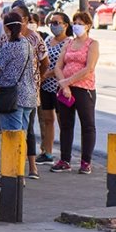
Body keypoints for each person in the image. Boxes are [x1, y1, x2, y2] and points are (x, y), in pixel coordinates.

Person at [0, 10, 39, 178]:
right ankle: (19, 171)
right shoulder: (26, 44)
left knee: (11, 137)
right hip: (28, 95)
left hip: (12, 97)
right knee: (21, 136)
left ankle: (12, 175)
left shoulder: (10, 47)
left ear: (6, 28)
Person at [53, 11, 100, 174]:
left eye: (80, 23)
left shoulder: (92, 44)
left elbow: (89, 68)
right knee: (65, 125)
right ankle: (65, 159)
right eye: (75, 22)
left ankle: (86, 161)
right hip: (66, 90)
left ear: (88, 26)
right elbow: (58, 66)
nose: (77, 26)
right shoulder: (68, 43)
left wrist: (68, 81)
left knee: (87, 125)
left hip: (84, 89)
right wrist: (64, 85)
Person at [36, 11, 72, 166]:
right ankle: (48, 152)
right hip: (45, 86)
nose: (53, 26)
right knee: (47, 119)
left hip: (59, 85)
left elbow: (62, 65)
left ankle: (64, 155)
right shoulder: (48, 40)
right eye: (51, 22)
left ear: (65, 25)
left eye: (57, 23)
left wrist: (46, 75)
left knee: (62, 120)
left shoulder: (68, 43)